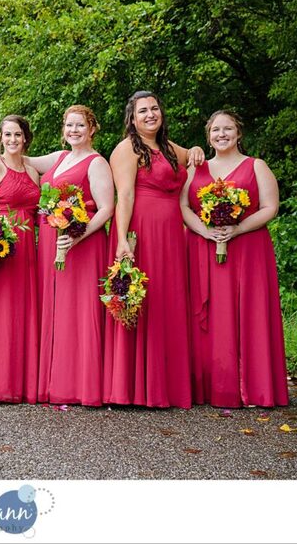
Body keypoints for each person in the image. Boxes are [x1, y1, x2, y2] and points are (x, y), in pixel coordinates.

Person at [0, 105, 114, 406]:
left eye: (80, 125)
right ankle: (56, 383)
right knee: (56, 310)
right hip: (52, 246)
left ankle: (82, 386)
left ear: (92, 129)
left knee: (79, 312)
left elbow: (107, 207)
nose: (74, 131)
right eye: (69, 126)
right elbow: (23, 160)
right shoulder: (60, 158)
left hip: (82, 243)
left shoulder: (97, 163)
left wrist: (77, 235)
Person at [181, 110, 289, 407]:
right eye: (216, 130)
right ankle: (208, 386)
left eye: (228, 129)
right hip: (203, 249)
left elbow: (270, 207)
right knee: (209, 315)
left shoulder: (256, 166)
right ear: (208, 136)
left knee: (247, 310)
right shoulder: (196, 168)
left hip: (248, 249)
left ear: (238, 134)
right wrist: (205, 231)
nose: (222, 134)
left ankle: (251, 387)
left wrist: (237, 228)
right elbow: (182, 206)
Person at [103, 90, 204, 409]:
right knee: (140, 300)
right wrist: (121, 239)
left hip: (172, 235)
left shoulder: (169, 148)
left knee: (168, 301)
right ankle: (132, 387)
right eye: (143, 111)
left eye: (155, 108)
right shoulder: (126, 149)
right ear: (132, 118)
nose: (150, 114)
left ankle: (167, 386)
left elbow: (194, 156)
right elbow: (126, 196)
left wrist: (199, 149)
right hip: (140, 231)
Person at [0, 115, 41, 403]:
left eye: (18, 134)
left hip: (26, 249)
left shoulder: (33, 171)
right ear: (0, 138)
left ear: (26, 138)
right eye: (7, 135)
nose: (12, 140)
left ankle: (22, 383)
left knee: (23, 312)